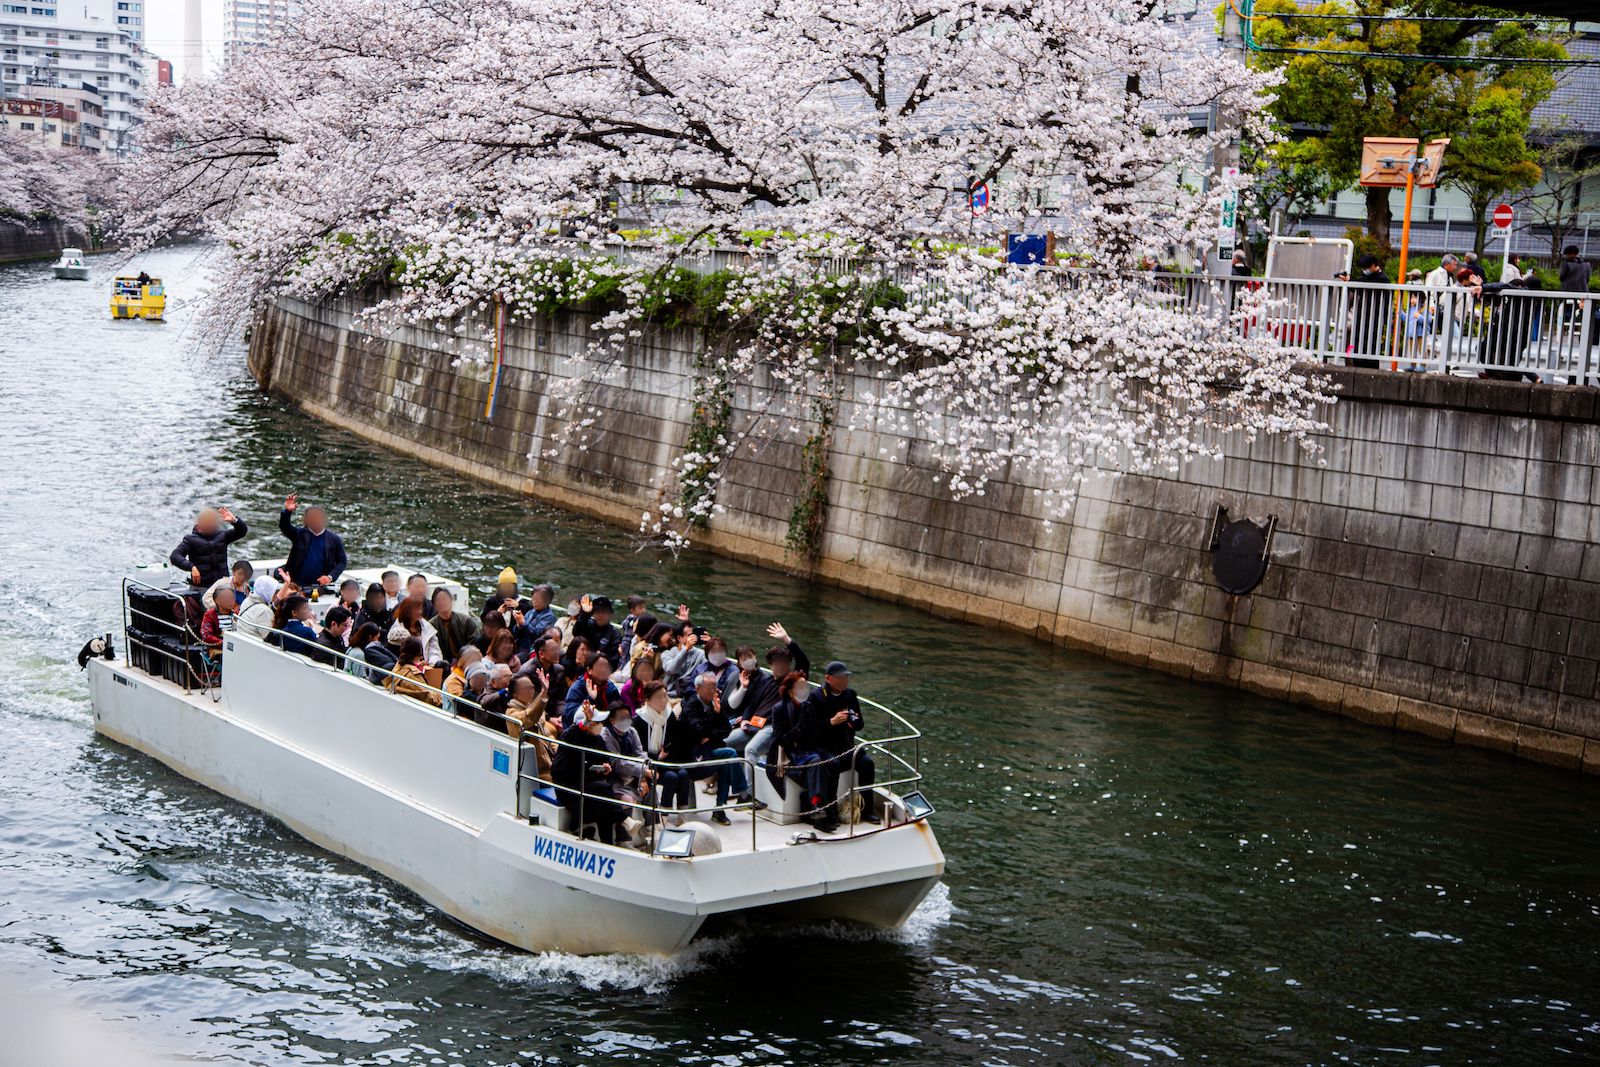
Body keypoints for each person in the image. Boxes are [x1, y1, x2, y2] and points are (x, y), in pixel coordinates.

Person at [672, 672, 754, 824]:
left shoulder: (715, 704)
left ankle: (719, 810)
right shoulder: (690, 706)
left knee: (725, 763)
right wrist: (712, 716)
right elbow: (697, 732)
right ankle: (743, 792)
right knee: (730, 753)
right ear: (698, 688)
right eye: (710, 688)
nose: (714, 692)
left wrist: (710, 735)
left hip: (709, 750)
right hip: (691, 755)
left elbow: (726, 730)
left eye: (715, 688)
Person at [804, 661, 879, 824]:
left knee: (867, 763)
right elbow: (810, 729)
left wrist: (853, 721)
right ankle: (831, 811)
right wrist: (831, 722)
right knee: (834, 765)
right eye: (840, 678)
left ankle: (868, 810)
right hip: (823, 745)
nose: (844, 681)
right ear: (829, 679)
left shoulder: (850, 695)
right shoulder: (816, 697)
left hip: (845, 744)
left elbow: (860, 724)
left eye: (846, 677)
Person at [770, 670, 836, 829]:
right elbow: (780, 739)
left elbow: (813, 734)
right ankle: (817, 809)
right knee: (816, 764)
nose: (804, 690)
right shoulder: (779, 709)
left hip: (807, 749)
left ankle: (823, 809)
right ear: (790, 690)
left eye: (805, 686)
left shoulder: (808, 706)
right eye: (800, 686)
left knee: (833, 764)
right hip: (788, 753)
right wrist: (799, 728)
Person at [551, 706, 625, 844]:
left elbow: (605, 759)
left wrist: (606, 767)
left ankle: (608, 843)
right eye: (597, 722)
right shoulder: (571, 736)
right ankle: (624, 822)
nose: (601, 725)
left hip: (591, 786)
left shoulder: (598, 740)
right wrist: (586, 720)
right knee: (602, 790)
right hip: (570, 788)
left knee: (604, 802)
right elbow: (574, 733)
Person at [276, 494, 347, 589]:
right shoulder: (299, 534)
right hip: (296, 585)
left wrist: (330, 577)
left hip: (319, 587)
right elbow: (284, 526)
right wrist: (287, 511)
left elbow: (342, 561)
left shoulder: (334, 539)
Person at [170, 506, 248, 587]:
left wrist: (235, 520)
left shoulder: (222, 536)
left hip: (222, 583)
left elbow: (241, 532)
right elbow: (175, 556)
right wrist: (191, 567)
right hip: (202, 585)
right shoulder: (190, 540)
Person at [1347, 253, 1392, 369]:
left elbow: (1363, 286)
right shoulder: (1367, 277)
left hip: (1374, 319)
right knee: (1357, 345)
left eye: (1366, 268)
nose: (1364, 270)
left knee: (1371, 349)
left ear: (1373, 265)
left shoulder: (1383, 279)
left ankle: (1371, 371)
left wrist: (1351, 281)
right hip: (1361, 317)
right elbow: (1360, 284)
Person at [562, 653, 621, 726]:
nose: (604, 670)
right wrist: (591, 699)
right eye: (600, 667)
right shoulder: (577, 687)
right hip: (580, 728)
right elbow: (571, 715)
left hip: (605, 728)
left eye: (606, 667)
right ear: (589, 669)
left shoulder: (611, 689)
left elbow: (617, 711)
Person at [432, 587, 481, 668]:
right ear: (434, 605)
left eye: (445, 599)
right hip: (443, 664)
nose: (442, 603)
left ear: (451, 601)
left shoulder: (466, 620)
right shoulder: (431, 626)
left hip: (466, 661)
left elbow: (474, 642)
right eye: (439, 600)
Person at [386, 637, 441, 706]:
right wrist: (439, 697)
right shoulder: (413, 674)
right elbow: (430, 698)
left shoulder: (399, 665)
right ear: (419, 652)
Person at [388, 595, 442, 665]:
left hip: (427, 668)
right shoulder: (397, 631)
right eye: (416, 609)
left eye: (420, 609)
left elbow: (435, 651)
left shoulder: (427, 628)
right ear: (407, 610)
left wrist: (431, 663)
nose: (420, 612)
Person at [660, 621, 706, 698]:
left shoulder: (700, 653)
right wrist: (686, 650)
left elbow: (710, 666)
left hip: (692, 695)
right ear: (679, 638)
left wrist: (709, 647)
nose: (693, 638)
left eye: (694, 635)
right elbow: (671, 669)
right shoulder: (667, 653)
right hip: (671, 695)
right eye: (689, 636)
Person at [572, 594, 621, 665]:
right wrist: (584, 613)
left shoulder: (614, 634)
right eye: (597, 612)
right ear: (593, 614)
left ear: (610, 614)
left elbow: (613, 659)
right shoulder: (587, 625)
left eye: (604, 612)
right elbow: (576, 633)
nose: (600, 615)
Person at [275, 595, 321, 659]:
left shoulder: (280, 632)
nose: (308, 611)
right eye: (305, 608)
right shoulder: (307, 631)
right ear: (294, 613)